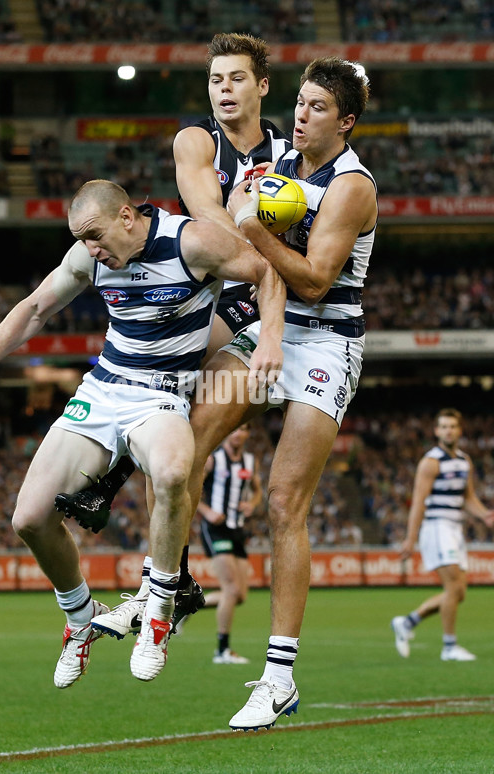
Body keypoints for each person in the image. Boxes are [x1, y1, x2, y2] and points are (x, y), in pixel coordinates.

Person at [0, 179, 284, 688]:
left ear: (127, 217)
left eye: (95, 235)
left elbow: (265, 270)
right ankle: (81, 621)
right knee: (29, 517)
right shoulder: (90, 257)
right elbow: (37, 307)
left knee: (173, 470)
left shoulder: (190, 242)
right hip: (104, 390)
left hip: (162, 393)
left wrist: (269, 342)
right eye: (81, 238)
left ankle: (158, 612)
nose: (90, 249)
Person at [177, 55, 376, 730]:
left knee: (285, 501)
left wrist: (260, 231)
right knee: (186, 438)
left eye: (318, 107)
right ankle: (168, 583)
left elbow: (318, 279)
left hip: (327, 342)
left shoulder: (353, 186)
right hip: (272, 325)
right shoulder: (280, 161)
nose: (301, 113)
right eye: (300, 102)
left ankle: (278, 677)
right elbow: (236, 224)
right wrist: (239, 214)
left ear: (345, 122)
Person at [54, 32, 291, 535]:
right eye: (215, 79)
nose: (224, 89)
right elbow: (206, 211)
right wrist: (253, 244)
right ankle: (130, 515)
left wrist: (268, 260)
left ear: (263, 86)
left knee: (184, 418)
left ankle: (118, 503)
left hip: (260, 293)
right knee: (166, 396)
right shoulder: (196, 140)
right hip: (211, 289)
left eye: (237, 78)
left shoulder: (286, 152)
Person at [391, 408, 494, 662]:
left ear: (460, 430)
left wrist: (485, 515)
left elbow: (467, 498)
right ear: (437, 431)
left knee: (458, 593)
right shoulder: (431, 461)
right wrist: (410, 538)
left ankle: (407, 622)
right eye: (444, 426)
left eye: (453, 426)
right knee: (453, 587)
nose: (448, 430)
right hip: (436, 527)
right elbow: (418, 502)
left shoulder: (464, 461)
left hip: (454, 529)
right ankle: (449, 647)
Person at [196, 422, 261, 664]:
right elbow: (192, 488)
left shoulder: (250, 462)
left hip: (237, 529)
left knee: (240, 595)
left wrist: (252, 504)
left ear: (247, 433)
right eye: (234, 428)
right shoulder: (214, 460)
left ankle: (184, 608)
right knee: (231, 589)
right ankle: (222, 650)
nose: (238, 433)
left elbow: (257, 491)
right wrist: (206, 511)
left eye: (244, 429)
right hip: (215, 528)